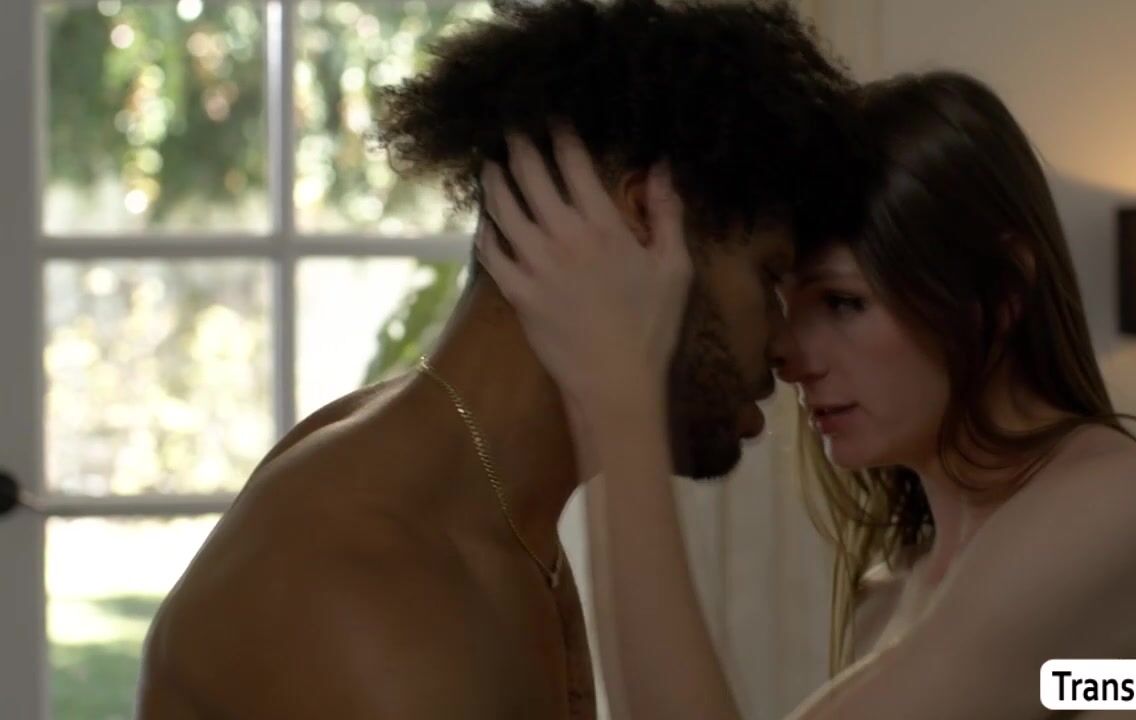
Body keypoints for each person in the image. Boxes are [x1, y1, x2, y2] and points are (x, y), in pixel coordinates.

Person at [136, 1, 862, 718]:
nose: (787, 344)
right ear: (642, 219)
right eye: (770, 277)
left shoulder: (499, 513)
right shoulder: (373, 590)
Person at [478, 71, 1136, 719]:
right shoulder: (894, 588)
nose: (787, 354)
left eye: (843, 302)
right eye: (785, 300)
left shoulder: (1110, 513)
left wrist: (620, 396)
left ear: (1000, 293)